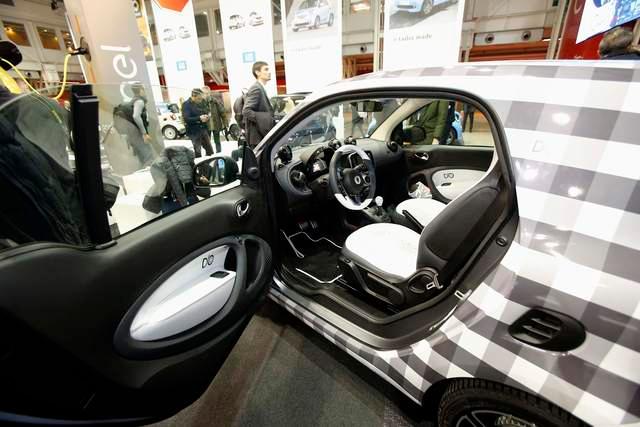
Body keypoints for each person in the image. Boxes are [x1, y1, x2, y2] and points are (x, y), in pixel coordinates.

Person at [144, 145, 198, 214]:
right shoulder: (188, 160)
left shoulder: (157, 165)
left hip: (173, 202)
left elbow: (163, 186)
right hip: (183, 199)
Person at [114, 83, 155, 167]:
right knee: (148, 157)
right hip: (138, 134)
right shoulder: (139, 101)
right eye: (144, 89)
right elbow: (136, 116)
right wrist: (144, 133)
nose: (145, 91)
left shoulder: (133, 101)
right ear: (141, 90)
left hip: (132, 134)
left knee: (142, 156)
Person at [242, 61, 275, 148]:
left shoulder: (260, 88)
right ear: (257, 72)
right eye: (266, 69)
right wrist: (265, 119)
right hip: (257, 138)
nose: (269, 72)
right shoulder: (256, 88)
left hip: (260, 137)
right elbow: (246, 111)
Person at [182, 88, 213, 158]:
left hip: (203, 129)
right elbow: (186, 119)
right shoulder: (186, 104)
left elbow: (203, 112)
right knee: (198, 152)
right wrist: (199, 118)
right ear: (194, 96)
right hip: (194, 132)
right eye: (199, 98)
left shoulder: (198, 103)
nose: (200, 100)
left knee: (210, 150)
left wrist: (206, 116)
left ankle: (209, 162)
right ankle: (200, 163)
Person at [202, 86, 227, 153]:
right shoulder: (201, 103)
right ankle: (209, 153)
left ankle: (218, 153)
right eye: (204, 93)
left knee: (217, 140)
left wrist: (225, 124)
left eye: (206, 93)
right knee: (207, 141)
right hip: (206, 126)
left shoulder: (215, 101)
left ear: (209, 93)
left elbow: (222, 112)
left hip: (216, 124)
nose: (205, 95)